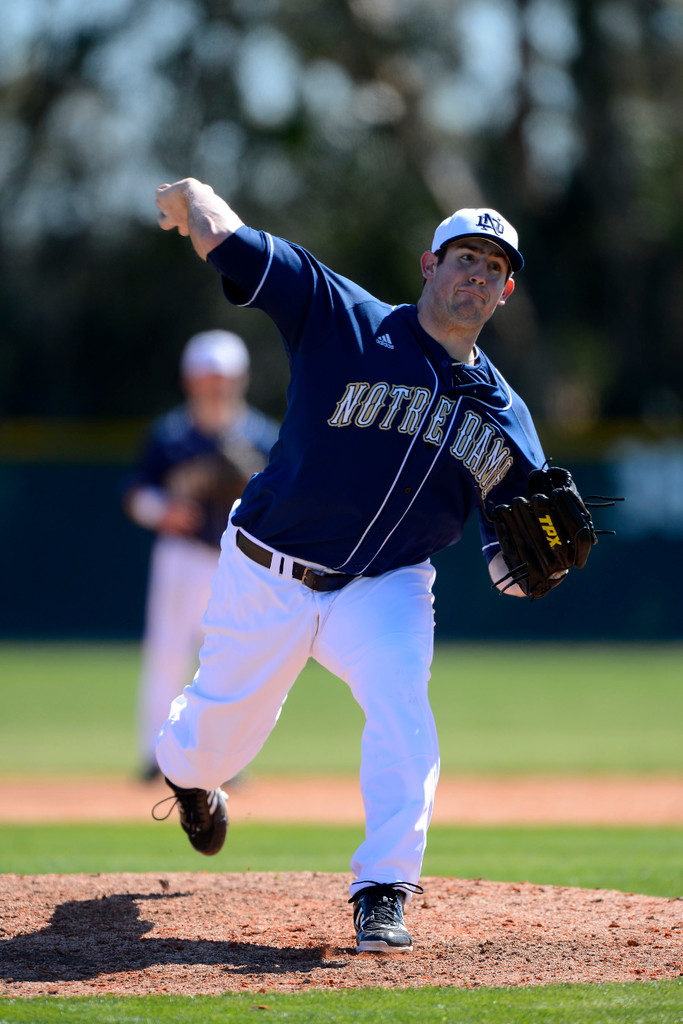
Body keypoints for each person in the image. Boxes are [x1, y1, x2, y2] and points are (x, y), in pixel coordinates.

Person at [152, 177, 545, 954]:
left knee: (403, 709)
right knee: (206, 746)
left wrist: (533, 570)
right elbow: (232, 240)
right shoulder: (344, 319)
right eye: (464, 257)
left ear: (505, 292)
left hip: (387, 586)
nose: (476, 274)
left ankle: (382, 889)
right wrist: (190, 197)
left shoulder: (506, 419)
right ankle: (192, 784)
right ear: (428, 264)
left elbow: (514, 561)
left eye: (493, 268)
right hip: (268, 571)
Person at [123, 329, 280, 781]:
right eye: (208, 376)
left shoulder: (264, 437)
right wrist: (162, 511)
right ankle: (156, 757)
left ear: (241, 379)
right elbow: (134, 492)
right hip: (182, 555)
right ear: (190, 380)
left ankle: (223, 761)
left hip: (240, 561)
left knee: (233, 660)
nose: (217, 385)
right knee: (168, 655)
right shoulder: (171, 436)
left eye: (224, 377)